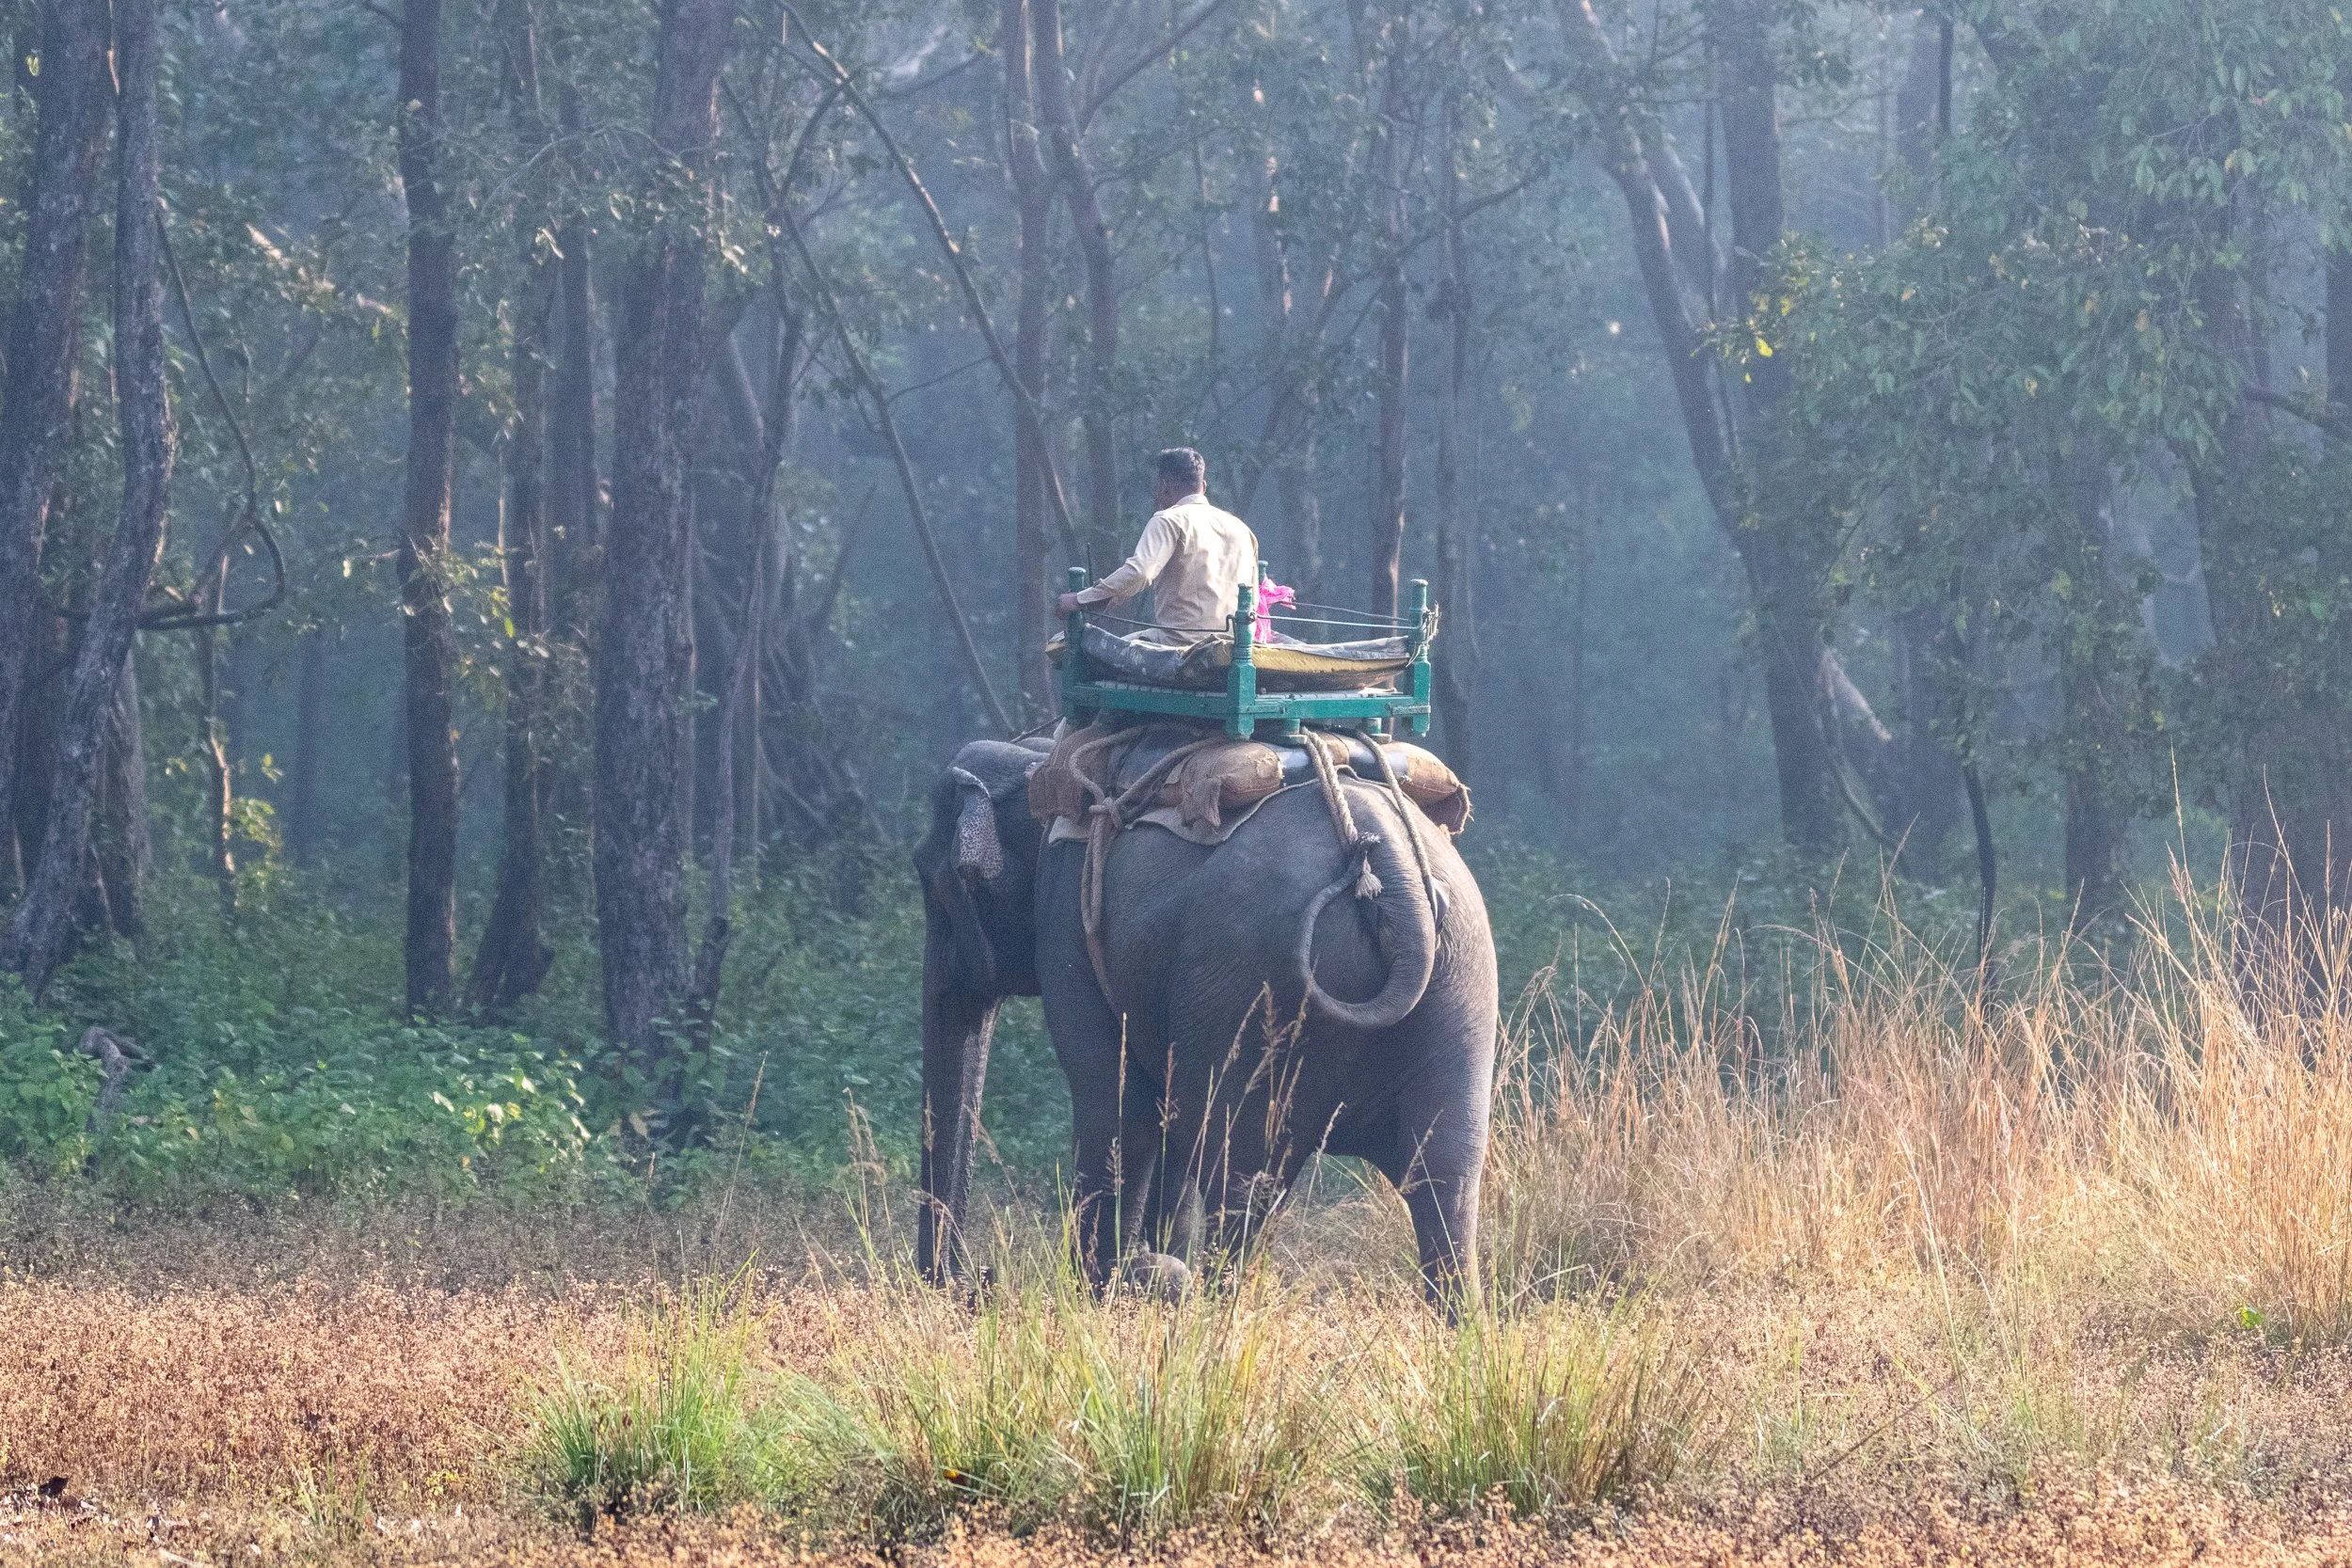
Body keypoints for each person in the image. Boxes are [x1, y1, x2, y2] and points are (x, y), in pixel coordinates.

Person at [1056, 448, 1260, 646]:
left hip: (1180, 644)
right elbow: (1254, 602)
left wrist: (1081, 599)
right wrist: (1105, 596)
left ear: (1164, 485)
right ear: (1203, 487)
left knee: (1082, 652)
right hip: (1237, 645)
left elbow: (1140, 573)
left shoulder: (1169, 519)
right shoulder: (1242, 529)